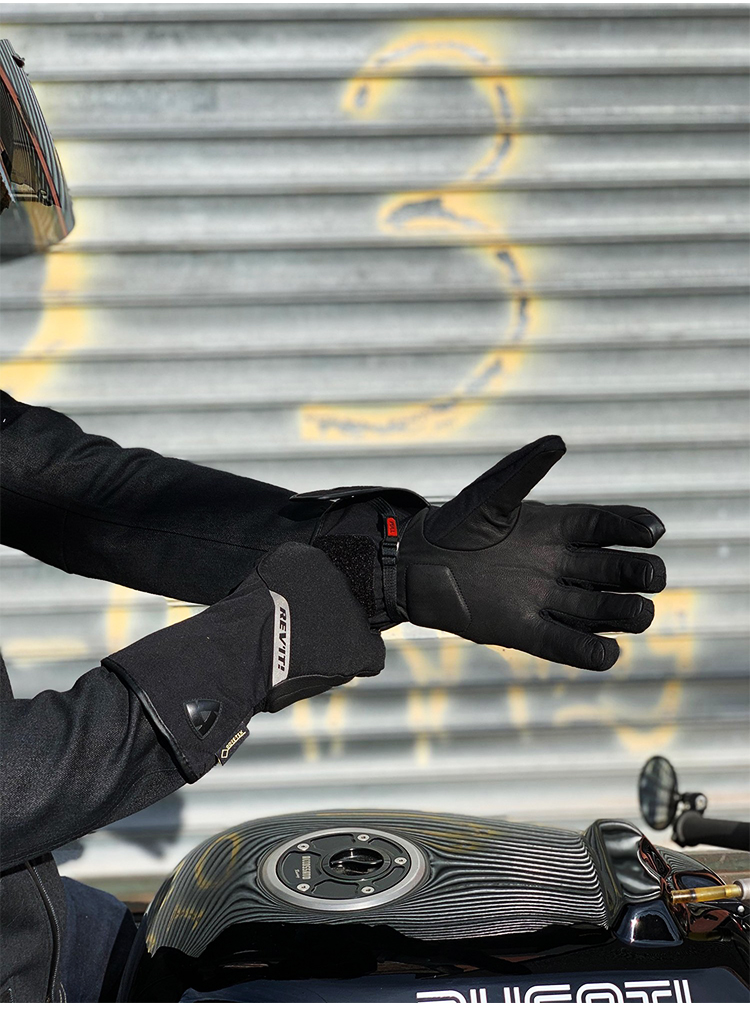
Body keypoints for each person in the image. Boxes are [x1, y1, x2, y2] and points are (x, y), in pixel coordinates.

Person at [0, 45, 667, 1002]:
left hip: (37, 925)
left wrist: (387, 558)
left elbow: (82, 491)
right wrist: (279, 628)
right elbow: (12, 785)